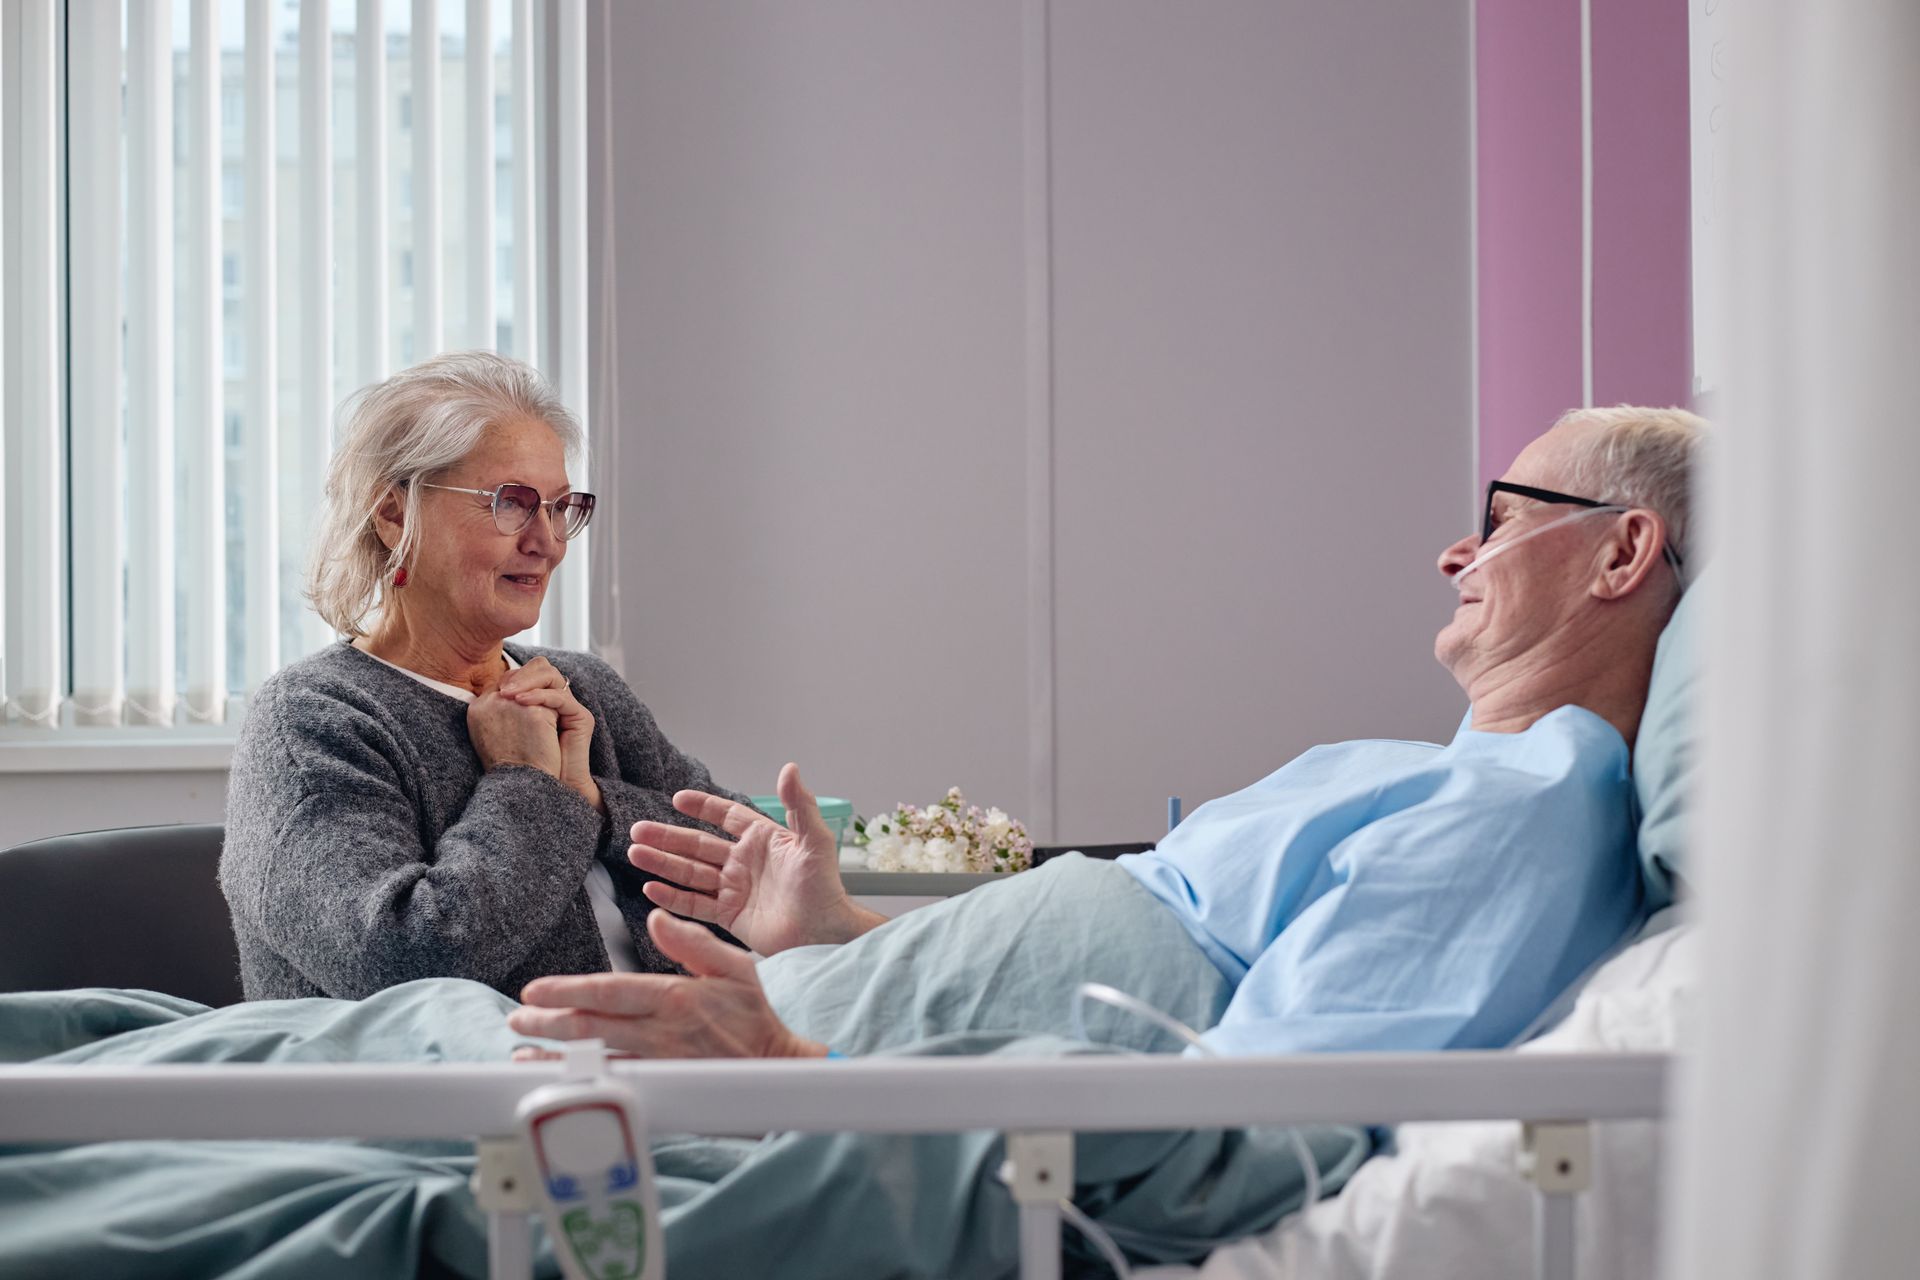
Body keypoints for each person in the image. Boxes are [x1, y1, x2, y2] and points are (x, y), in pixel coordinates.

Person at [504, 406, 1706, 1061]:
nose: (1458, 551)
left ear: (1622, 551)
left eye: (1502, 517)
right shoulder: (1438, 777)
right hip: (865, 1022)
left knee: (428, 1100)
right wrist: (836, 932)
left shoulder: (1528, 808)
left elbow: (1259, 1112)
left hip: (865, 1088)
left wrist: (802, 1076)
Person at [220, 351, 750, 1001]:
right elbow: (401, 964)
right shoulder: (314, 722)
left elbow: (747, 854)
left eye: (561, 507)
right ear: (394, 515)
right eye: (513, 504)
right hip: (470, 1090)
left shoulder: (584, 687)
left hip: (684, 1056)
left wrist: (596, 804)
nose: (547, 541)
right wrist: (527, 787)